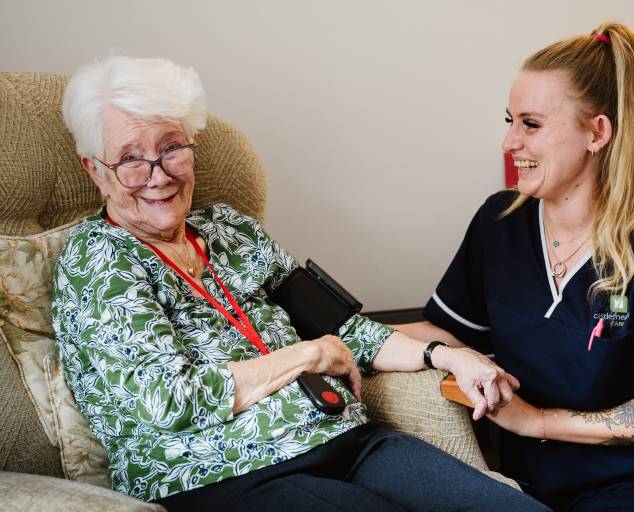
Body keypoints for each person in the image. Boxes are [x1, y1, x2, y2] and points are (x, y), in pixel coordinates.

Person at [51, 56, 549, 512]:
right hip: (218, 472)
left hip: (342, 435)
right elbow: (169, 401)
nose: (158, 175)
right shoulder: (100, 260)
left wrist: (444, 354)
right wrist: (306, 356)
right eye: (131, 159)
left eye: (171, 149)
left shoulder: (232, 230)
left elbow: (341, 330)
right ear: (95, 171)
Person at [396, 22, 634, 512]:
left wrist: (539, 421)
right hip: (528, 487)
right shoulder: (500, 223)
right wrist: (344, 340)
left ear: (598, 132)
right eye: (509, 121)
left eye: (530, 124)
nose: (510, 143)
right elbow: (444, 331)